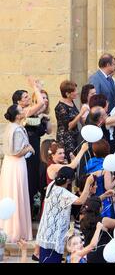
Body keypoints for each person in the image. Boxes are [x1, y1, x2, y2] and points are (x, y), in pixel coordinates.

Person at [36, 167, 94, 263]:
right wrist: (88, 183)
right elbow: (81, 200)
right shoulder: (62, 192)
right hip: (54, 234)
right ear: (68, 181)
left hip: (46, 231)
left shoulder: (52, 184)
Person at [0, 105, 34, 243]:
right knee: (17, 193)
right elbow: (17, 152)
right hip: (17, 163)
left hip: (8, 164)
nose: (24, 111)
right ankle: (17, 230)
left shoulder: (9, 127)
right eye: (21, 110)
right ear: (18, 116)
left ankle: (7, 227)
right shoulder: (18, 129)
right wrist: (29, 148)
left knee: (9, 192)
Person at [25, 89, 52, 217]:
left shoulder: (43, 115)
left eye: (46, 98)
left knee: (35, 180)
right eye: (42, 98)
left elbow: (49, 131)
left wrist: (47, 117)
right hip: (28, 150)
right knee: (29, 180)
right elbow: (27, 123)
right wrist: (40, 116)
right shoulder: (30, 113)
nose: (45, 100)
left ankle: (32, 212)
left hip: (37, 148)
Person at [85, 139, 115, 218]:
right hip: (103, 199)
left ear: (94, 152)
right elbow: (108, 187)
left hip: (91, 197)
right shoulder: (106, 166)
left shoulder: (90, 162)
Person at [79, 195, 115, 263]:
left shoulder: (83, 220)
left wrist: (105, 195)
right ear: (99, 208)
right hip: (102, 253)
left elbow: (93, 202)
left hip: (89, 253)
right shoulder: (103, 221)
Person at [55, 80, 88, 161]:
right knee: (70, 160)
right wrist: (80, 113)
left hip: (75, 136)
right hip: (66, 139)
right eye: (74, 91)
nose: (77, 92)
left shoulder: (71, 102)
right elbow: (69, 126)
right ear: (67, 94)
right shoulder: (61, 107)